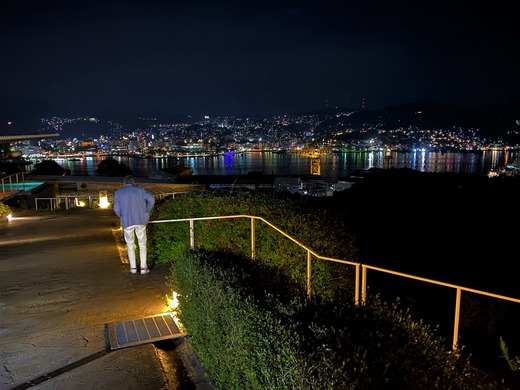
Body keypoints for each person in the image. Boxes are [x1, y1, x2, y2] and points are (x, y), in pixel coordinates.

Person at [113, 175, 155, 274]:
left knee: (130, 245)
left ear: (124, 183)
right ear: (133, 182)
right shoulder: (140, 190)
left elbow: (116, 209)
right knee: (142, 243)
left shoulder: (118, 193)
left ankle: (133, 268)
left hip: (127, 222)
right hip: (141, 220)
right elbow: (152, 200)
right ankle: (144, 268)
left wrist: (122, 216)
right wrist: (147, 210)